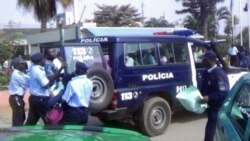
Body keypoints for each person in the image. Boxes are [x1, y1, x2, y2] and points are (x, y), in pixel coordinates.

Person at [25, 53, 64, 125]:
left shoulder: (33, 67)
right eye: (44, 60)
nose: (45, 61)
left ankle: (25, 135)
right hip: (41, 100)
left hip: (34, 98)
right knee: (51, 120)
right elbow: (46, 85)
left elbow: (45, 80)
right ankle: (50, 135)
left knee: (31, 122)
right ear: (41, 61)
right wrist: (60, 70)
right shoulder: (39, 71)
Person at [199, 51, 229, 141]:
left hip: (216, 108)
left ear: (212, 61)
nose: (203, 62)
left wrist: (209, 97)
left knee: (210, 133)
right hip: (209, 106)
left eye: (205, 60)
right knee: (210, 132)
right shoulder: (206, 72)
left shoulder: (218, 74)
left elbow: (223, 93)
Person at [8, 57, 29, 126]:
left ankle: (17, 131)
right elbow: (26, 84)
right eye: (21, 64)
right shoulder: (17, 74)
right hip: (16, 97)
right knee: (18, 118)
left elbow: (27, 77)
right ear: (17, 65)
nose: (23, 65)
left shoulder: (20, 73)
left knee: (21, 117)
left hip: (18, 98)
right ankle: (16, 133)